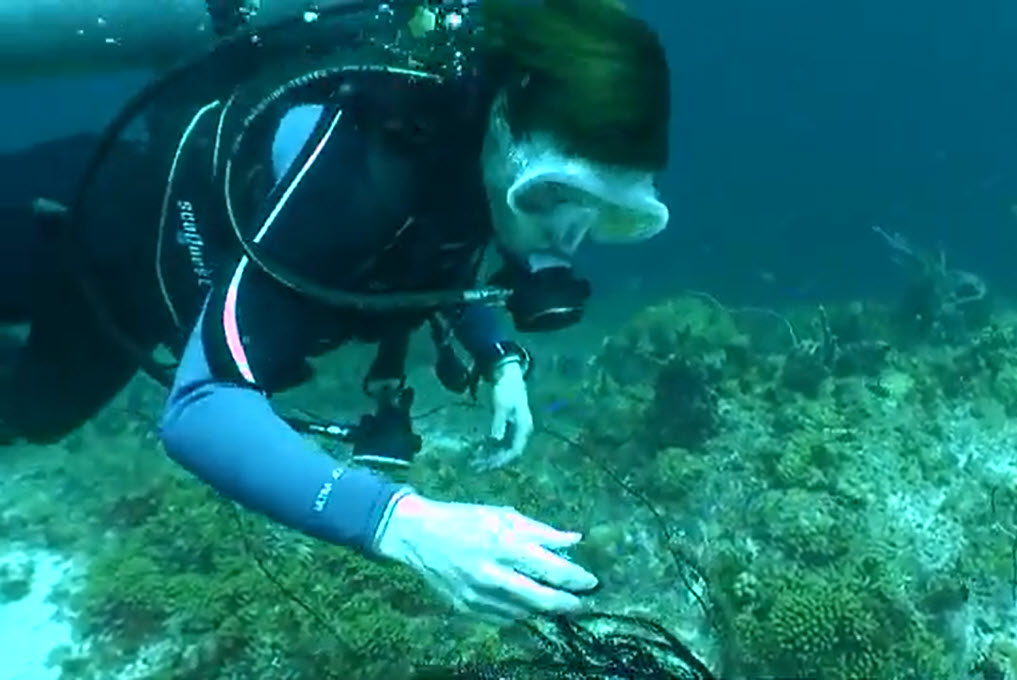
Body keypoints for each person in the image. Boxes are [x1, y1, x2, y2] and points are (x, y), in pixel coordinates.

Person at [0, 0, 670, 625]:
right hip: (66, 228)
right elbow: (201, 407)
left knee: (34, 415)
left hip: (129, 304)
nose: (569, 235)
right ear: (502, 125)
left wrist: (499, 361)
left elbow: (438, 264)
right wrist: (402, 525)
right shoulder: (363, 167)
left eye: (608, 212)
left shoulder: (464, 164)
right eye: (554, 194)